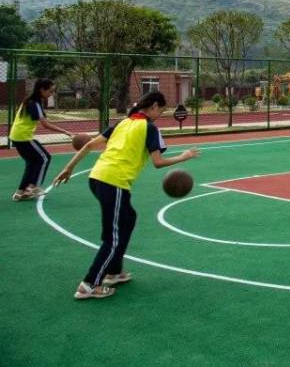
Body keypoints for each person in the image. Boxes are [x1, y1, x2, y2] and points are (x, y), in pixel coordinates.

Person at [52, 92, 200, 299]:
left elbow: (89, 145)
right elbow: (158, 162)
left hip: (97, 177)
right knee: (113, 237)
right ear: (154, 106)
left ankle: (113, 271)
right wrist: (183, 157)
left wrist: (69, 167)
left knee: (128, 219)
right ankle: (89, 284)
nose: (160, 114)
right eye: (161, 110)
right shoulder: (149, 127)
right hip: (114, 182)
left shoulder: (122, 123)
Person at [10, 79, 74, 201]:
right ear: (42, 90)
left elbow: (43, 120)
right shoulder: (34, 103)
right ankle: (34, 187)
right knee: (45, 158)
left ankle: (20, 192)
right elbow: (45, 125)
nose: (52, 94)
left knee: (32, 163)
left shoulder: (31, 100)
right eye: (50, 91)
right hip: (23, 137)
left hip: (17, 136)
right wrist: (66, 132)